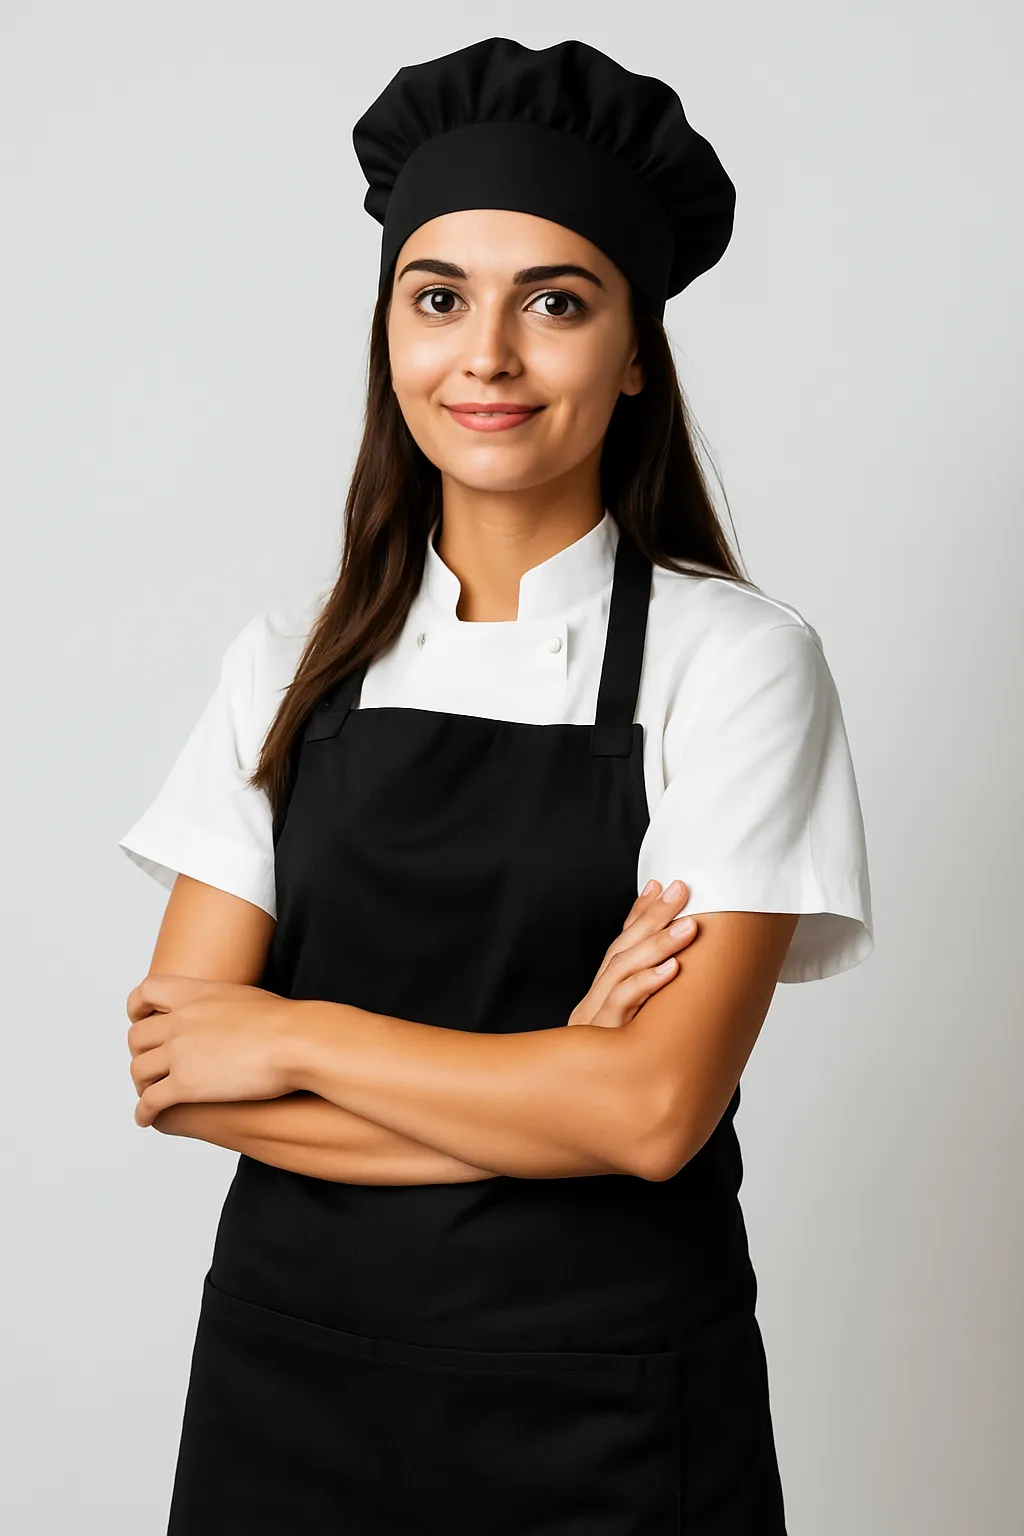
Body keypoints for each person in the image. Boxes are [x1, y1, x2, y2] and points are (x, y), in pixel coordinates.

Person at [118, 36, 873, 1535]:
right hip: (287, 1395)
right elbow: (179, 1079)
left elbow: (654, 1112)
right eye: (440, 296)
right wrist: (551, 1079)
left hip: (600, 1412)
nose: (489, 356)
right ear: (391, 328)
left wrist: (297, 1030)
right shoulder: (286, 660)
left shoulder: (736, 664)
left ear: (636, 346)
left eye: (558, 302)